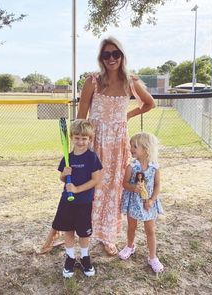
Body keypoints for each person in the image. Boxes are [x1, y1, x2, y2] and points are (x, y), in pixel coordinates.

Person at [76, 36, 156, 255]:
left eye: (115, 54)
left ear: (122, 56)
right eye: (106, 54)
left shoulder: (131, 82)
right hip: (95, 141)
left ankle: (108, 236)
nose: (111, 58)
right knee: (91, 185)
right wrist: (79, 147)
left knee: (113, 189)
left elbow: (150, 103)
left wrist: (127, 115)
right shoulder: (92, 81)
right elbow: (81, 115)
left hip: (117, 144)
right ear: (101, 58)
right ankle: (84, 231)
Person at [45, 119, 102, 278]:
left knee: (84, 233)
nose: (81, 141)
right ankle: (70, 258)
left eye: (84, 138)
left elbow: (95, 180)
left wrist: (77, 189)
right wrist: (64, 174)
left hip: (84, 202)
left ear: (90, 139)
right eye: (77, 138)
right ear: (71, 138)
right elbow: (63, 179)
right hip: (67, 201)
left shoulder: (92, 157)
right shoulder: (67, 157)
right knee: (68, 230)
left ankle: (85, 257)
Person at [118, 132, 164, 273]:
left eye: (135, 146)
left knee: (150, 230)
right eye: (131, 146)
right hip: (133, 202)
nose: (131, 149)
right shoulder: (131, 167)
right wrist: (133, 188)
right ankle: (130, 246)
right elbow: (125, 184)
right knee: (131, 227)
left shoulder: (155, 168)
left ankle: (153, 257)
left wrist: (151, 200)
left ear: (145, 149)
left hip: (148, 204)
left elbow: (157, 186)